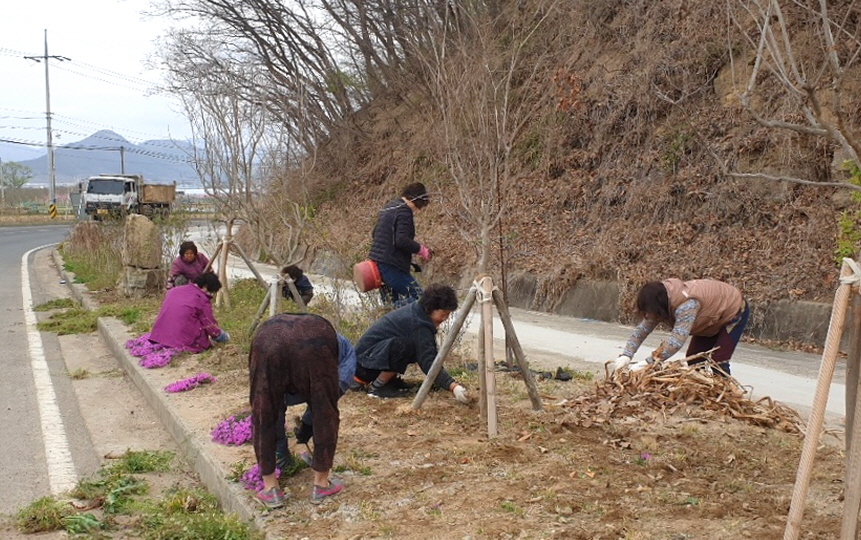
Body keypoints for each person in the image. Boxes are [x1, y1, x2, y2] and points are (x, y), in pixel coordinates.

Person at [249, 313, 344, 508]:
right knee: (325, 410)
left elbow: (263, 409)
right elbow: (328, 406)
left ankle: (270, 488)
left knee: (263, 410)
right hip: (316, 344)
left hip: (267, 342)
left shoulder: (266, 332)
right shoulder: (337, 342)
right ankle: (321, 483)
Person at [353, 283, 470, 402]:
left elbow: (429, 352)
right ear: (431, 308)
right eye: (444, 314)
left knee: (413, 346)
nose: (446, 318)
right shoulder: (418, 324)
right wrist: (453, 386)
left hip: (368, 361)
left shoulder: (418, 311)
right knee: (404, 345)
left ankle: (389, 382)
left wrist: (444, 381)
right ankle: (378, 387)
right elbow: (428, 362)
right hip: (363, 368)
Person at [613, 278, 750, 375]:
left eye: (650, 312)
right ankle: (703, 394)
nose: (649, 316)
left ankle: (726, 397)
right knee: (695, 360)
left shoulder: (687, 305)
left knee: (719, 361)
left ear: (658, 308)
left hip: (734, 310)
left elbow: (676, 341)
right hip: (711, 316)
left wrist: (648, 363)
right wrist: (627, 355)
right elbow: (642, 330)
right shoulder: (660, 301)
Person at [275, 333, 356, 470]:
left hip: (339, 361)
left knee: (323, 405)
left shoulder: (327, 367)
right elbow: (272, 412)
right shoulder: (270, 374)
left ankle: (319, 468)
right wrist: (281, 451)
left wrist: (304, 435)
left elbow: (322, 404)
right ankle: (303, 438)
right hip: (309, 356)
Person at [368, 182, 432, 307]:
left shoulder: (389, 207)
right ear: (418, 200)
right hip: (391, 266)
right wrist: (421, 250)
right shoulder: (404, 212)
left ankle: (391, 316)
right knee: (421, 300)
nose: (418, 211)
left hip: (377, 264)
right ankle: (397, 311)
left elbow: (375, 233)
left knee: (389, 305)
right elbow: (401, 240)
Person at [149, 271, 229, 353]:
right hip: (181, 342)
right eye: (211, 291)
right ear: (205, 287)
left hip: (159, 336)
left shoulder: (174, 290)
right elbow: (209, 324)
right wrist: (222, 336)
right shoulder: (202, 299)